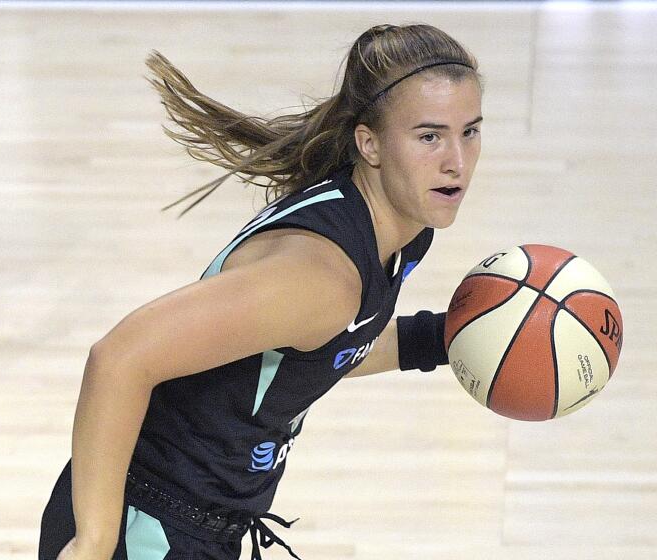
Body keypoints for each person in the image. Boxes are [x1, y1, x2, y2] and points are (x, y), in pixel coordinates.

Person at [38, 23, 482, 560]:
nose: (456, 160)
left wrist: (438, 338)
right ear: (370, 144)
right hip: (142, 527)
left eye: (470, 131)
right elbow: (119, 359)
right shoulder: (320, 278)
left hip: (198, 524)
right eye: (429, 136)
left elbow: (317, 353)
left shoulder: (402, 232)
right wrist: (94, 540)